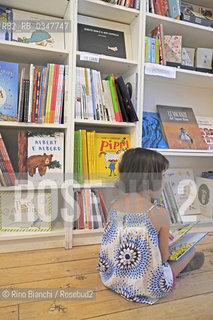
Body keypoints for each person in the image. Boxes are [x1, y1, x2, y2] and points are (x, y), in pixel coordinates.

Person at [97, 148, 204, 305]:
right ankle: (178, 271)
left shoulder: (115, 205)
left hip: (112, 276)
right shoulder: (159, 213)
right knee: (190, 251)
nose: (164, 180)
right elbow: (162, 258)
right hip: (145, 285)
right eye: (162, 175)